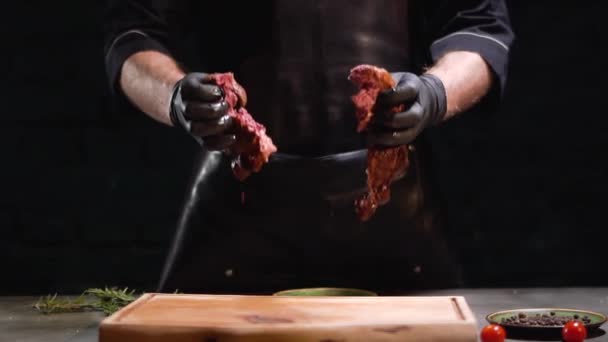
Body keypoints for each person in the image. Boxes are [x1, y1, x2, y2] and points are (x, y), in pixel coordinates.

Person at [103, 1, 514, 294]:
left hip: (391, 206)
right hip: (238, 205)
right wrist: (174, 96)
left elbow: (479, 25)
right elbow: (132, 32)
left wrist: (434, 93)